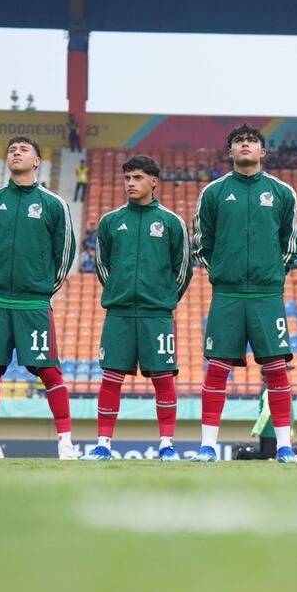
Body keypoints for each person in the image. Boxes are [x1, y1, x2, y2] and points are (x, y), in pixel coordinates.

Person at [191, 124, 297, 463]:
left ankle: (285, 446)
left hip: (267, 295)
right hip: (227, 294)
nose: (245, 145)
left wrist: (271, 274)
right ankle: (207, 446)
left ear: (263, 152)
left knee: (276, 369)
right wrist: (222, 272)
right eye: (239, 141)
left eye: (252, 141)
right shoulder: (213, 193)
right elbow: (201, 242)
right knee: (217, 368)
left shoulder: (283, 193)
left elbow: (290, 245)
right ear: (230, 151)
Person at [0, 136, 76, 459]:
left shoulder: (53, 204)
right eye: (11, 150)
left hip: (33, 302)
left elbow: (65, 252)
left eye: (23, 150)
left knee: (48, 372)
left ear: (37, 161)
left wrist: (42, 287)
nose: (16, 153)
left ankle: (66, 443)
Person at [81, 155, 192, 461]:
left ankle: (167, 445)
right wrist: (118, 290)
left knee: (163, 379)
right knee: (111, 377)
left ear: (154, 182)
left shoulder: (172, 223)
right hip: (118, 314)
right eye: (127, 178)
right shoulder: (110, 222)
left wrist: (163, 298)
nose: (131, 183)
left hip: (156, 315)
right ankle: (103, 444)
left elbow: (183, 269)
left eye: (138, 177)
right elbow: (103, 266)